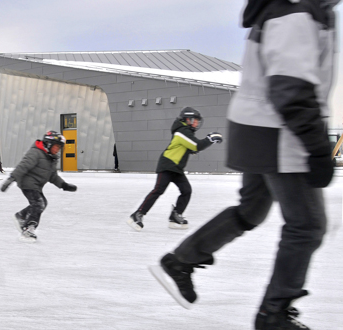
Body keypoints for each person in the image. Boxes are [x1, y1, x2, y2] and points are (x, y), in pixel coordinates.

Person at [148, 1, 337, 329]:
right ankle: (273, 316)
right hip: (279, 132)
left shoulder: (295, 8)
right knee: (307, 225)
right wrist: (317, 147)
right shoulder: (296, 11)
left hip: (257, 126)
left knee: (252, 209)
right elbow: (289, 89)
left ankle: (182, 261)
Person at [127, 107, 222, 231]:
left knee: (186, 190)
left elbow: (192, 148)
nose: (197, 123)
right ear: (188, 119)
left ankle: (175, 215)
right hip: (167, 165)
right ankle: (138, 214)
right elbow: (196, 145)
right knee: (158, 190)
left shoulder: (186, 132)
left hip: (177, 168)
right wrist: (210, 139)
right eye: (195, 120)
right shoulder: (181, 131)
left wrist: (197, 147)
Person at [0, 131, 78, 242]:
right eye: (56, 146)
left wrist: (63, 185)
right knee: (38, 203)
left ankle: (21, 216)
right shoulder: (36, 153)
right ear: (48, 143)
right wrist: (11, 179)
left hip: (36, 185)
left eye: (59, 148)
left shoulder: (51, 158)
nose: (57, 150)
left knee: (42, 203)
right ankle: (28, 229)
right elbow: (23, 166)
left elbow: (53, 176)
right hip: (27, 183)